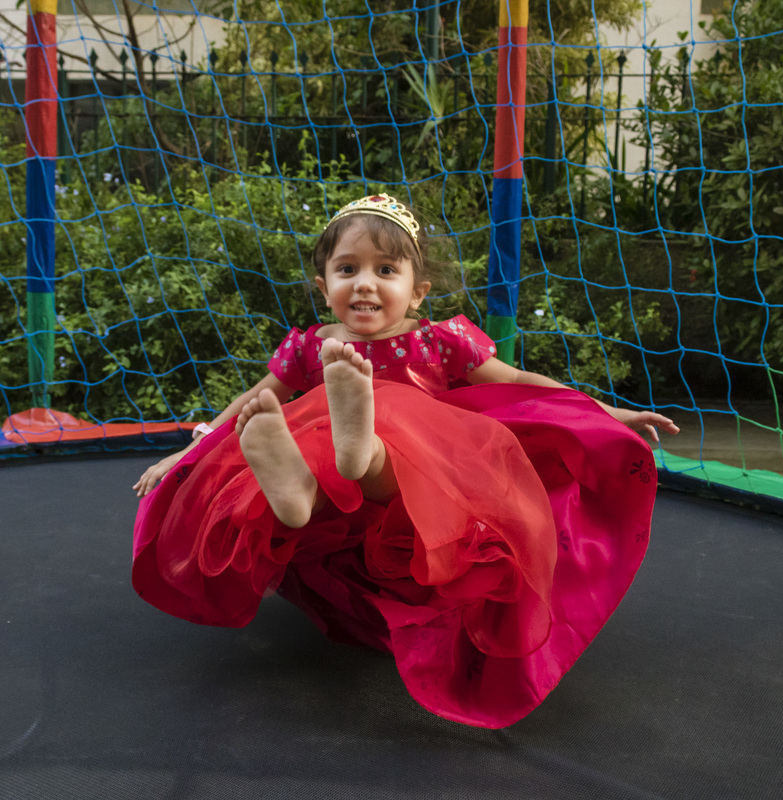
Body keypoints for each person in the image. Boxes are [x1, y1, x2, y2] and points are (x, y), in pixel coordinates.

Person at [131, 194, 678, 728]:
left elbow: (514, 382)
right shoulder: (310, 347)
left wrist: (601, 410)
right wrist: (191, 447)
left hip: (424, 489)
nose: (364, 282)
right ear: (325, 288)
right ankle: (300, 490)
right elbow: (248, 407)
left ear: (417, 293)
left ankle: (360, 447)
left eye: (385, 270)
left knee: (389, 422)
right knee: (301, 426)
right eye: (347, 268)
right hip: (335, 500)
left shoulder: (439, 343)